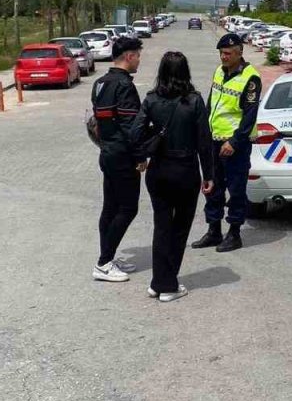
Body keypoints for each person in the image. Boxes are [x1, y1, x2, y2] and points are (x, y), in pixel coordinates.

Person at [134, 51, 215, 302]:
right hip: (185, 170)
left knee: (162, 226)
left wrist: (141, 158)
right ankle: (167, 285)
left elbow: (135, 132)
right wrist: (209, 174)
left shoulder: (150, 100)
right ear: (185, 72)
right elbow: (204, 142)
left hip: (158, 170)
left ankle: (158, 282)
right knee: (180, 228)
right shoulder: (194, 101)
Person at [191, 32, 262, 253]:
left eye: (228, 53)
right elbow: (212, 103)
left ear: (239, 53)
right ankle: (214, 230)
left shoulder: (250, 78)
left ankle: (234, 233)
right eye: (221, 53)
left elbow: (250, 115)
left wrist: (234, 141)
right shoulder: (219, 72)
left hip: (235, 144)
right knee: (213, 187)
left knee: (236, 189)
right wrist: (203, 130)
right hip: (214, 140)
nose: (223, 57)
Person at [91, 36, 145, 282]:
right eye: (138, 55)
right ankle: (103, 263)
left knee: (110, 208)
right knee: (128, 209)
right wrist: (140, 156)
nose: (139, 60)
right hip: (123, 157)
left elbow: (97, 123)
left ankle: (108, 257)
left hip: (108, 153)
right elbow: (130, 126)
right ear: (129, 56)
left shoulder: (100, 83)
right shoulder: (124, 86)